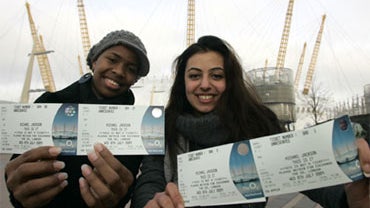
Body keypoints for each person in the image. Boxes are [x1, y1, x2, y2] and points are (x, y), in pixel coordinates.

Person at [131, 35, 370, 208]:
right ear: (183, 84)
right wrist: (151, 203)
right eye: (194, 76)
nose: (205, 84)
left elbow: (305, 172)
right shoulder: (164, 127)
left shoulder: (257, 125)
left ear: (231, 81)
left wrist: (349, 196)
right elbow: (150, 178)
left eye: (216, 75)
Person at [5, 29, 150, 208]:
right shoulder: (49, 103)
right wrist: (19, 192)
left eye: (131, 69)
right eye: (112, 60)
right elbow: (17, 170)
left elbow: (126, 184)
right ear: (94, 61)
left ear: (135, 80)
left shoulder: (136, 129)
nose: (119, 71)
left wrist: (119, 196)